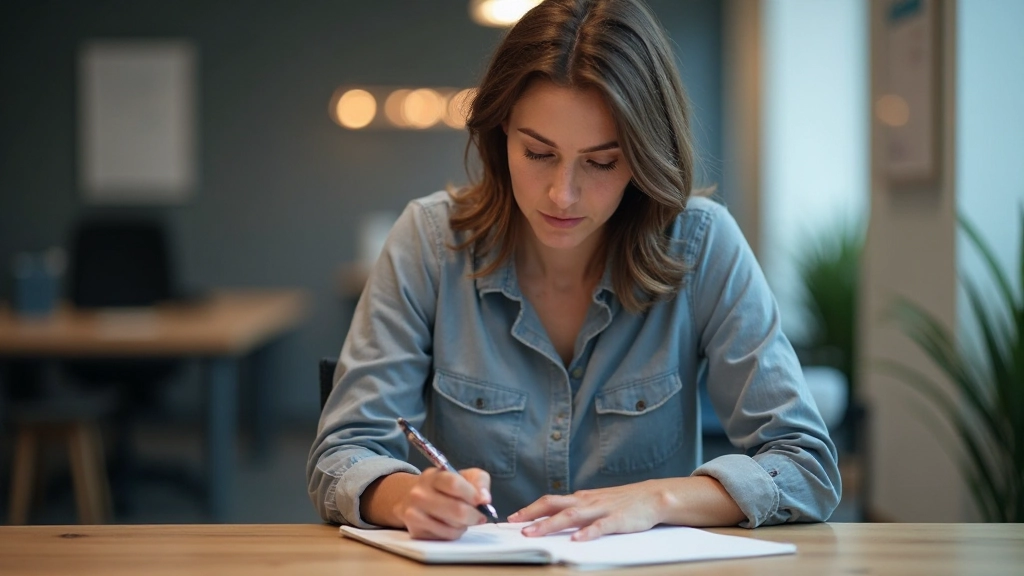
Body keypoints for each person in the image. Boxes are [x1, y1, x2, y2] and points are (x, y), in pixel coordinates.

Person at [308, 0, 841, 542]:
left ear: (644, 156)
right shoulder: (428, 241)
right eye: (538, 153)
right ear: (502, 132)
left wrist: (658, 498)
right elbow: (343, 454)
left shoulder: (702, 244)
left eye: (602, 161)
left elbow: (805, 467)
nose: (562, 194)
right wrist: (409, 498)